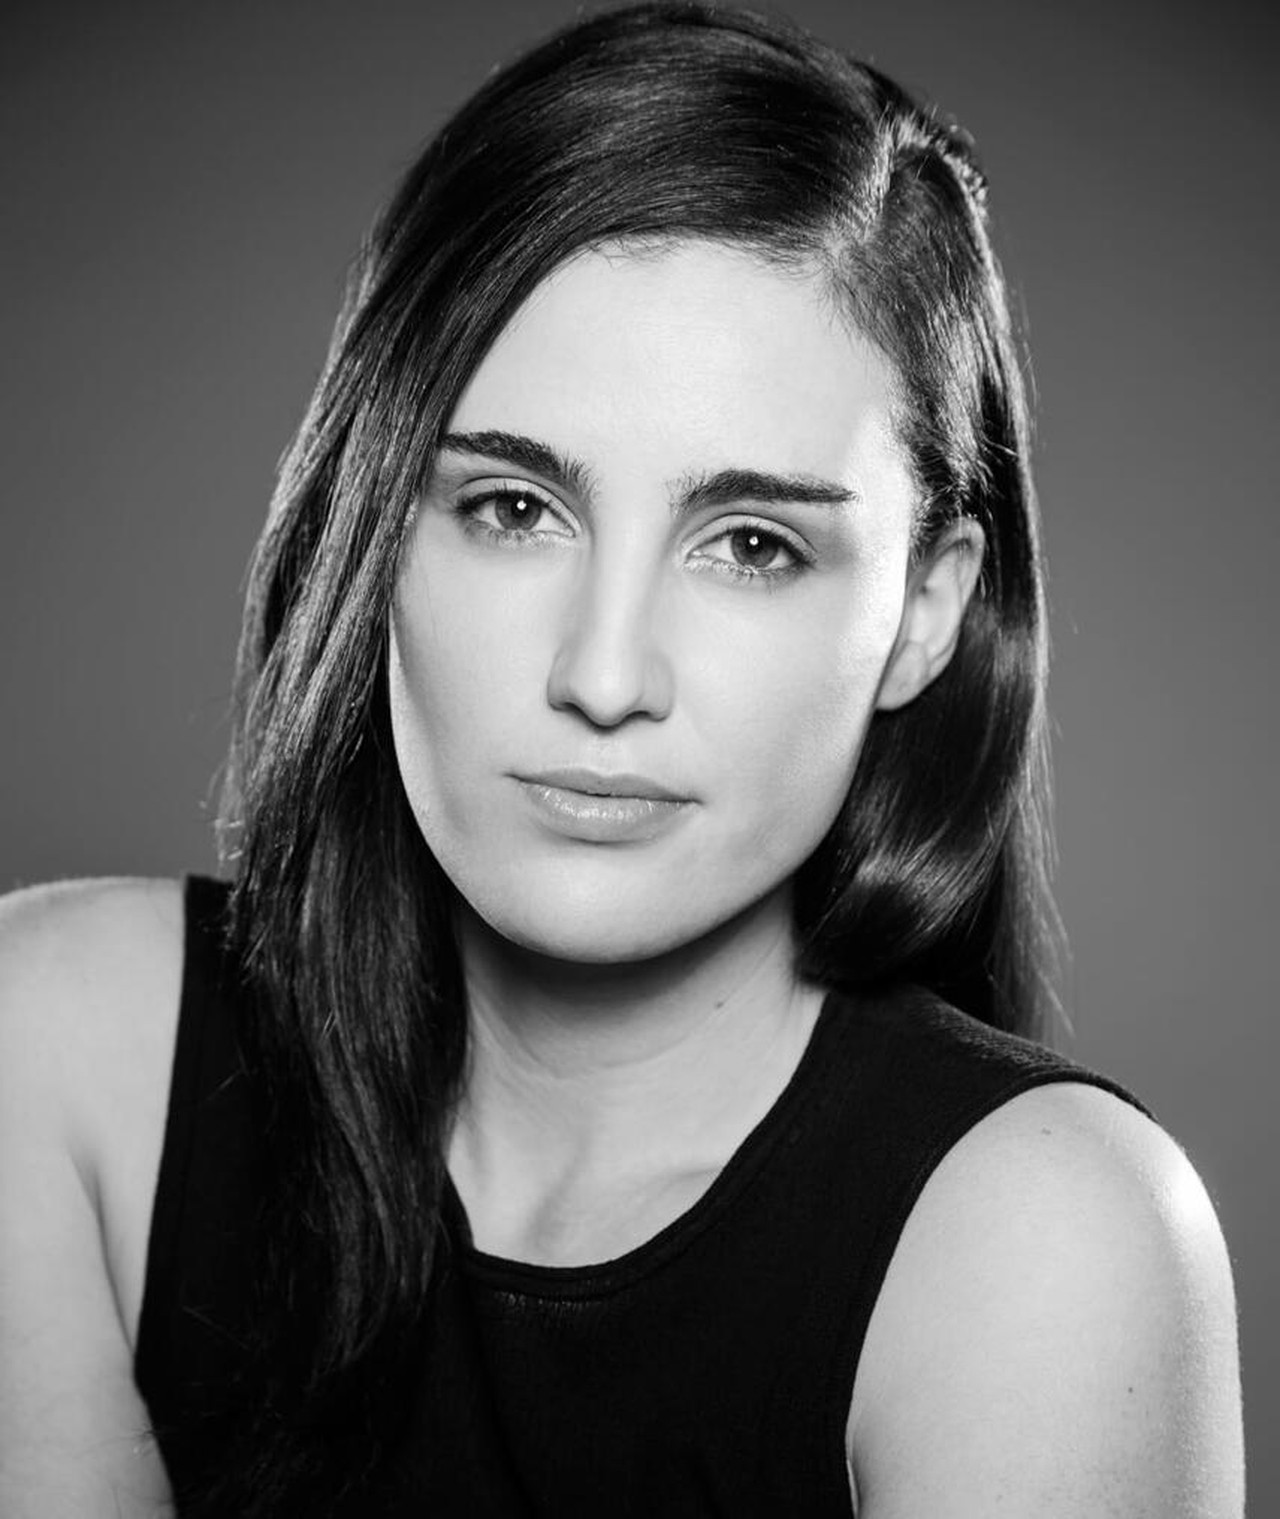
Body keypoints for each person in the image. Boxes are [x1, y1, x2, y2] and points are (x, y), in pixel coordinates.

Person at [0, 3, 1244, 1515]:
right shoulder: (60, 1063)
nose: (602, 678)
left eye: (752, 545)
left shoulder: (1040, 1245)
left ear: (926, 612)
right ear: (372, 522)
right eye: (513, 510)